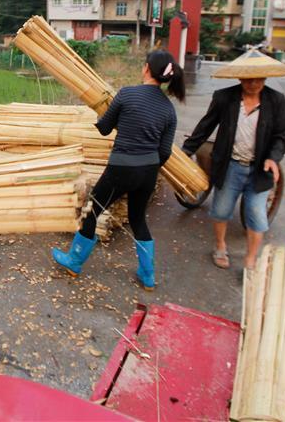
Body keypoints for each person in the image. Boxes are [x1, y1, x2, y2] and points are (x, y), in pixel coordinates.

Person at [51, 50, 185, 291]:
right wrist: (148, 166)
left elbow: (104, 128)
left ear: (145, 68)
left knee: (93, 211)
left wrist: (101, 111)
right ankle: (147, 276)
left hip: (121, 168)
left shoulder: (127, 94)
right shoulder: (168, 109)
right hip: (148, 172)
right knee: (137, 219)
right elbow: (165, 152)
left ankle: (74, 262)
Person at [182, 49, 285, 271]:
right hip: (230, 165)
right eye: (248, 79)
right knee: (221, 210)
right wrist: (186, 151)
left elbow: (281, 135)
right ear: (240, 77)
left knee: (257, 216)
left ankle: (250, 258)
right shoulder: (225, 98)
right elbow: (206, 126)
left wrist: (273, 158)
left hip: (259, 168)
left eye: (258, 79)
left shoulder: (276, 100)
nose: (253, 84)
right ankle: (220, 245)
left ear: (265, 78)